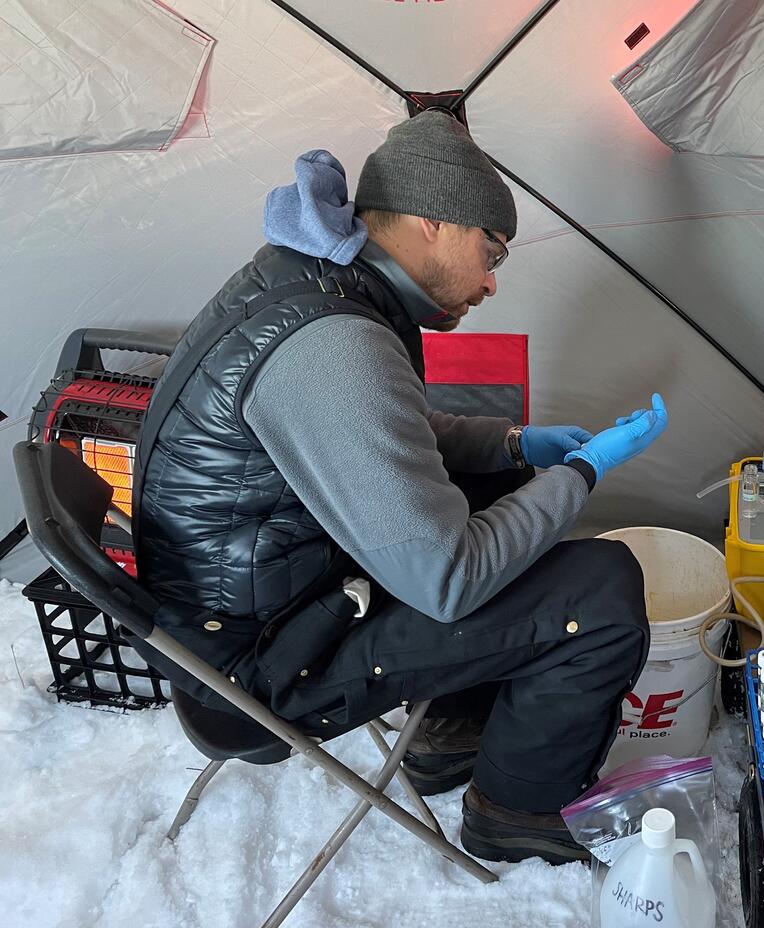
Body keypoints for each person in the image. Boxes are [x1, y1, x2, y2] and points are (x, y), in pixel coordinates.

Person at [132, 110, 668, 865]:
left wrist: (517, 444)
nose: (489, 280)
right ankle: (516, 810)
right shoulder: (335, 342)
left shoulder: (308, 280)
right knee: (602, 591)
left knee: (494, 478)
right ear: (431, 224)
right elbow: (447, 581)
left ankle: (448, 736)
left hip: (254, 607)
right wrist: (581, 473)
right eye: (492, 250)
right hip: (262, 669)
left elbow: (385, 434)